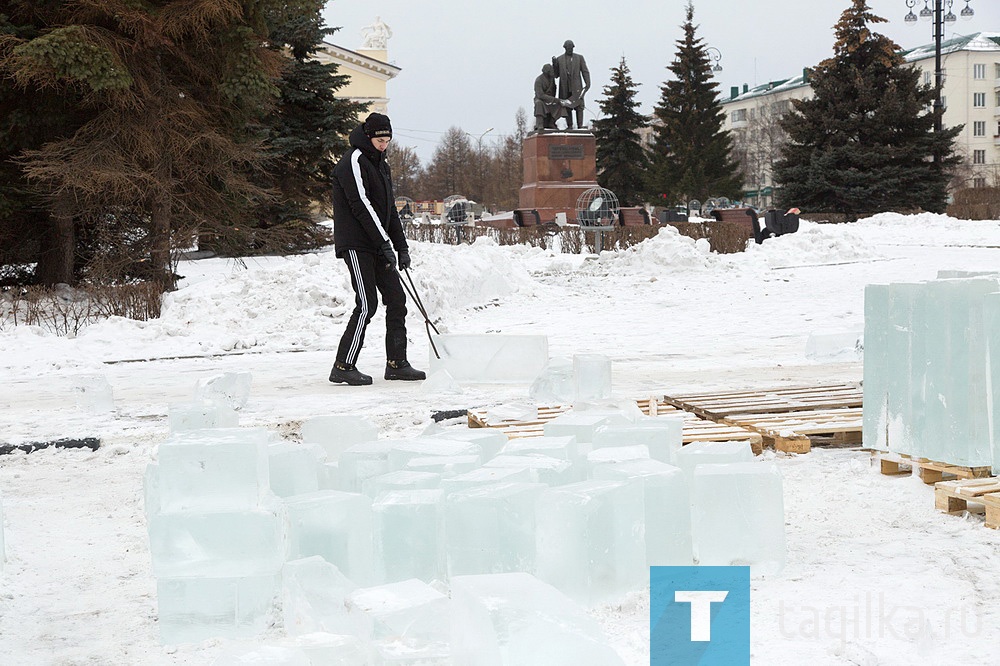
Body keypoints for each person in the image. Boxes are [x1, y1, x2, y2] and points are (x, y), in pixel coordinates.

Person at [329, 112, 425, 385]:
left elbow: (388, 209)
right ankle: (343, 366)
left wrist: (401, 246)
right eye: (380, 139)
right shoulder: (354, 161)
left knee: (396, 299)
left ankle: (397, 363)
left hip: (377, 243)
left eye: (387, 140)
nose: (384, 145)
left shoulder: (381, 164)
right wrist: (384, 243)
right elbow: (361, 205)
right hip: (357, 244)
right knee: (367, 303)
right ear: (369, 137)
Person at [551, 40, 590, 129]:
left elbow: (585, 71)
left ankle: (580, 125)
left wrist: (587, 83)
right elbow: (556, 75)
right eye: (568, 48)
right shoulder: (559, 59)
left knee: (579, 106)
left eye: (571, 48)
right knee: (567, 106)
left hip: (576, 87)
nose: (570, 50)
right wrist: (554, 65)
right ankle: (570, 125)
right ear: (565, 48)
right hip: (565, 87)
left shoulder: (579, 58)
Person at [533, 63, 563, 131]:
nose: (552, 72)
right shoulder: (538, 80)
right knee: (539, 103)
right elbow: (540, 95)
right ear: (546, 72)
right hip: (541, 99)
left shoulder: (552, 79)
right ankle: (540, 124)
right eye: (551, 71)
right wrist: (553, 99)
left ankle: (552, 122)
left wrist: (555, 100)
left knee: (561, 104)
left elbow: (554, 88)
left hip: (550, 99)